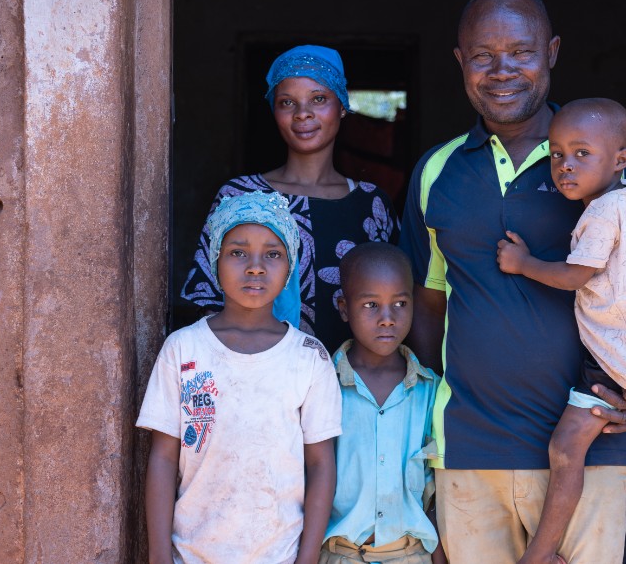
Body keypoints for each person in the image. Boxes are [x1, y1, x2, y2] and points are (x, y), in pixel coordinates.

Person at [399, 0, 626, 564]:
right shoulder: (437, 172)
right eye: (482, 55)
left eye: (521, 52)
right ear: (460, 61)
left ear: (551, 52)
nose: (502, 70)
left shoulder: (612, 171)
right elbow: (427, 305)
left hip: (592, 444)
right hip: (470, 450)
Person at [496, 98, 626, 564]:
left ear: (621, 158)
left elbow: (575, 275)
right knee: (610, 413)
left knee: (565, 448)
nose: (565, 166)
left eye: (582, 153)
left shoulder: (601, 213)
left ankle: (538, 553)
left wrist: (524, 264)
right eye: (557, 154)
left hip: (618, 352)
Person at [139, 190, 342, 564]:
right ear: (214, 260)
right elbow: (164, 459)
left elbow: (321, 464)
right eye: (237, 252)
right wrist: (158, 556)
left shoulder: (309, 358)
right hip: (193, 554)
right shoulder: (183, 350)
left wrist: (308, 557)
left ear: (291, 267)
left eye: (273, 254)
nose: (255, 266)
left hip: (279, 555)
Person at [180, 44, 401, 353]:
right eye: (287, 102)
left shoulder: (372, 204)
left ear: (342, 106)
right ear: (275, 111)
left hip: (352, 388)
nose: (303, 114)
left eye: (319, 99)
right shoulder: (240, 196)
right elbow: (207, 300)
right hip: (258, 384)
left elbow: (398, 299)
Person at [320, 242, 446, 564]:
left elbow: (439, 490)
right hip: (339, 555)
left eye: (400, 303)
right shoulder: (322, 385)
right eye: (371, 305)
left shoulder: (429, 391)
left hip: (412, 554)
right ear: (344, 307)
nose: (388, 318)